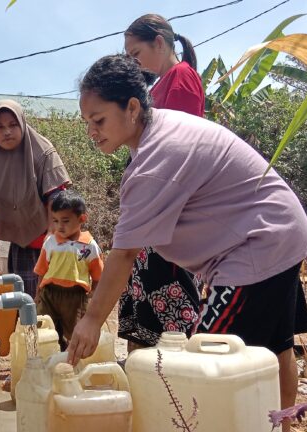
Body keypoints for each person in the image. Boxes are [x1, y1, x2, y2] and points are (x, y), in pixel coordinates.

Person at [68, 54, 307, 431]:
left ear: (132, 107)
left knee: (206, 365)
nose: (91, 132)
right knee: (274, 349)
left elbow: (125, 254)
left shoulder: (154, 159)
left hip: (255, 246)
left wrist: (92, 320)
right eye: (86, 123)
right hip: (282, 229)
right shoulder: (162, 127)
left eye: (98, 120)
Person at [117, 13, 205, 350]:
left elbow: (178, 153)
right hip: (154, 211)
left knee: (170, 318)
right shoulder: (163, 83)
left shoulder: (181, 78)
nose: (134, 62)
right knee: (146, 313)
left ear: (158, 42)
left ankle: (171, 386)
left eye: (136, 53)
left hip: (166, 211)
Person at [0, 100, 71, 299]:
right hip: (19, 245)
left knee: (53, 306)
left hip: (50, 243)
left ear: (22, 123)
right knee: (24, 305)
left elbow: (57, 197)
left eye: (13, 125)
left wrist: (52, 237)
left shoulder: (43, 151)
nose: (7, 132)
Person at [33, 190, 104, 350]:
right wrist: (38, 293)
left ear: (82, 219)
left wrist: (93, 295)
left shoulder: (89, 246)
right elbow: (42, 270)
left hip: (75, 297)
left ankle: (69, 366)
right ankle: (48, 362)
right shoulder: (50, 242)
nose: (59, 226)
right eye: (55, 221)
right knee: (45, 330)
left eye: (65, 221)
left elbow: (98, 275)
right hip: (49, 294)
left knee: (73, 334)